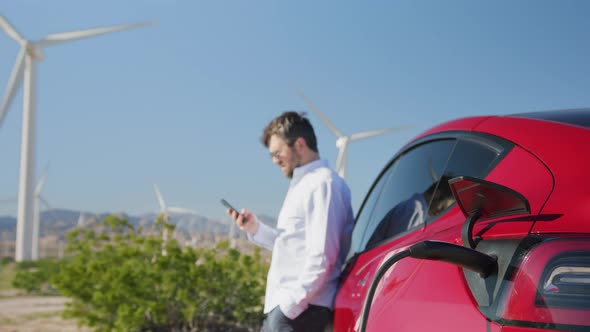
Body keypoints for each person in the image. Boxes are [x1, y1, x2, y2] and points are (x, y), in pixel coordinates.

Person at [226, 111, 354, 332]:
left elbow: (323, 255)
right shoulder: (303, 185)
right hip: (290, 309)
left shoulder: (323, 183)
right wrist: (254, 228)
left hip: (302, 311)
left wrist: (291, 306)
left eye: (278, 153)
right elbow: (291, 247)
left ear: (300, 144)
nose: (275, 161)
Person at [367, 175, 455, 247]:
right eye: (443, 207)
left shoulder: (412, 207)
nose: (441, 212)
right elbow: (400, 249)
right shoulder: (414, 210)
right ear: (437, 194)